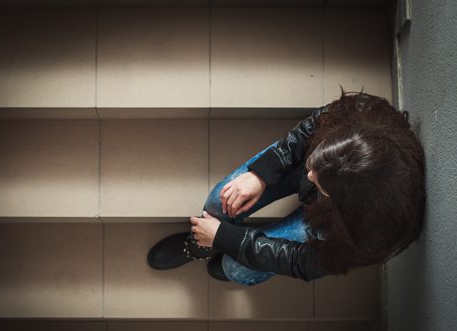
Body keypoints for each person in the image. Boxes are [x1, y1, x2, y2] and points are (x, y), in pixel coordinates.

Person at [147, 89, 426, 286]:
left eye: (319, 180)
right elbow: (307, 132)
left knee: (236, 268)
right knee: (218, 203)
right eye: (315, 163)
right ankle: (201, 247)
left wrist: (225, 239)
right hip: (319, 186)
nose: (309, 173)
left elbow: (301, 263)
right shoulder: (363, 116)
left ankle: (221, 254)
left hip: (330, 226)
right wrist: (263, 174)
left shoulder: (370, 237)